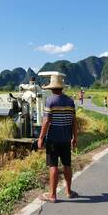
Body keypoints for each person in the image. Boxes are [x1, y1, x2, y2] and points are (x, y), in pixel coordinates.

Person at [37, 74, 79, 203]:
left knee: (53, 165)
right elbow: (74, 121)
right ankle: (69, 191)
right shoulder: (70, 101)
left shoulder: (50, 101)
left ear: (51, 88)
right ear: (62, 87)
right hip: (66, 139)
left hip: (53, 139)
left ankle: (53, 195)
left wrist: (40, 138)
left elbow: (46, 122)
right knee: (67, 164)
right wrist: (75, 137)